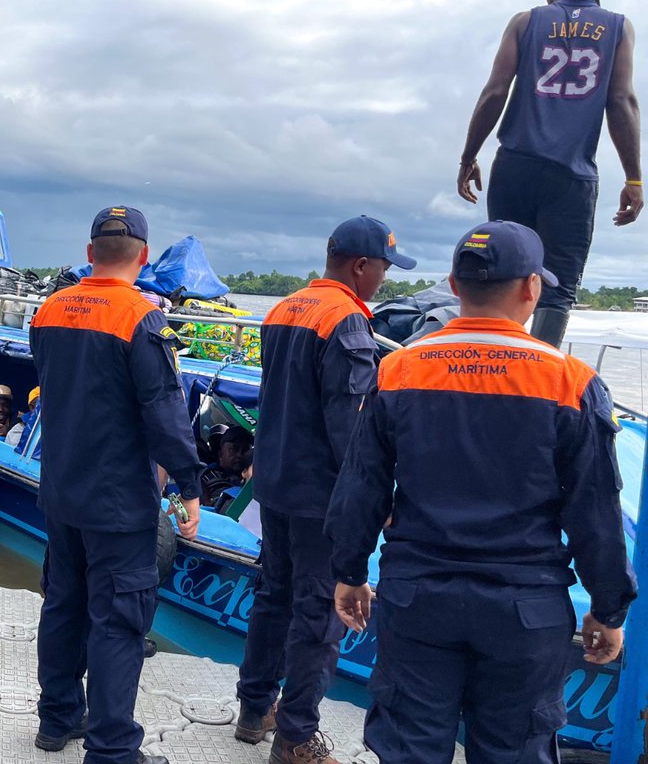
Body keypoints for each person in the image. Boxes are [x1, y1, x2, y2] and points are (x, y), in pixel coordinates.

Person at [328, 220, 637, 763]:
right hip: (525, 609)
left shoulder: (397, 371)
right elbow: (595, 512)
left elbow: (361, 486)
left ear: (453, 285)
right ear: (532, 288)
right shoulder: (571, 382)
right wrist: (608, 609)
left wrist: (350, 572)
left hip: (418, 600)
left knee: (410, 749)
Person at [236, 216, 416, 764]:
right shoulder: (346, 322)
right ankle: (295, 736)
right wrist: (376, 500)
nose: (384, 279)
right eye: (383, 268)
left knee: (273, 596)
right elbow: (351, 427)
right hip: (319, 497)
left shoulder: (284, 308)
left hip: (275, 484)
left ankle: (254, 709)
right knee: (319, 614)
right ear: (361, 266)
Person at [31, 205, 203, 764]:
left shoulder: (49, 310)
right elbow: (165, 413)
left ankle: (57, 718)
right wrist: (189, 485)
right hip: (119, 502)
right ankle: (112, 750)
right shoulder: (141, 318)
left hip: (61, 490)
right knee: (119, 621)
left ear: (89, 253)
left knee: (63, 604)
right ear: (144, 257)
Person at [456, 0, 641, 348]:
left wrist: (468, 157)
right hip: (572, 177)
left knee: (503, 269)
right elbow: (621, 101)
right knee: (558, 290)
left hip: (514, 167)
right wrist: (634, 179)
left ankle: (490, 360)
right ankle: (536, 373)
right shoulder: (619, 27)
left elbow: (495, 91)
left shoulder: (525, 22)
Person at [199, 424, 254, 508]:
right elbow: (226, 507)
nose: (239, 455)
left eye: (245, 450)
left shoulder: (247, 477)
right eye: (234, 449)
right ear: (220, 454)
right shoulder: (211, 476)